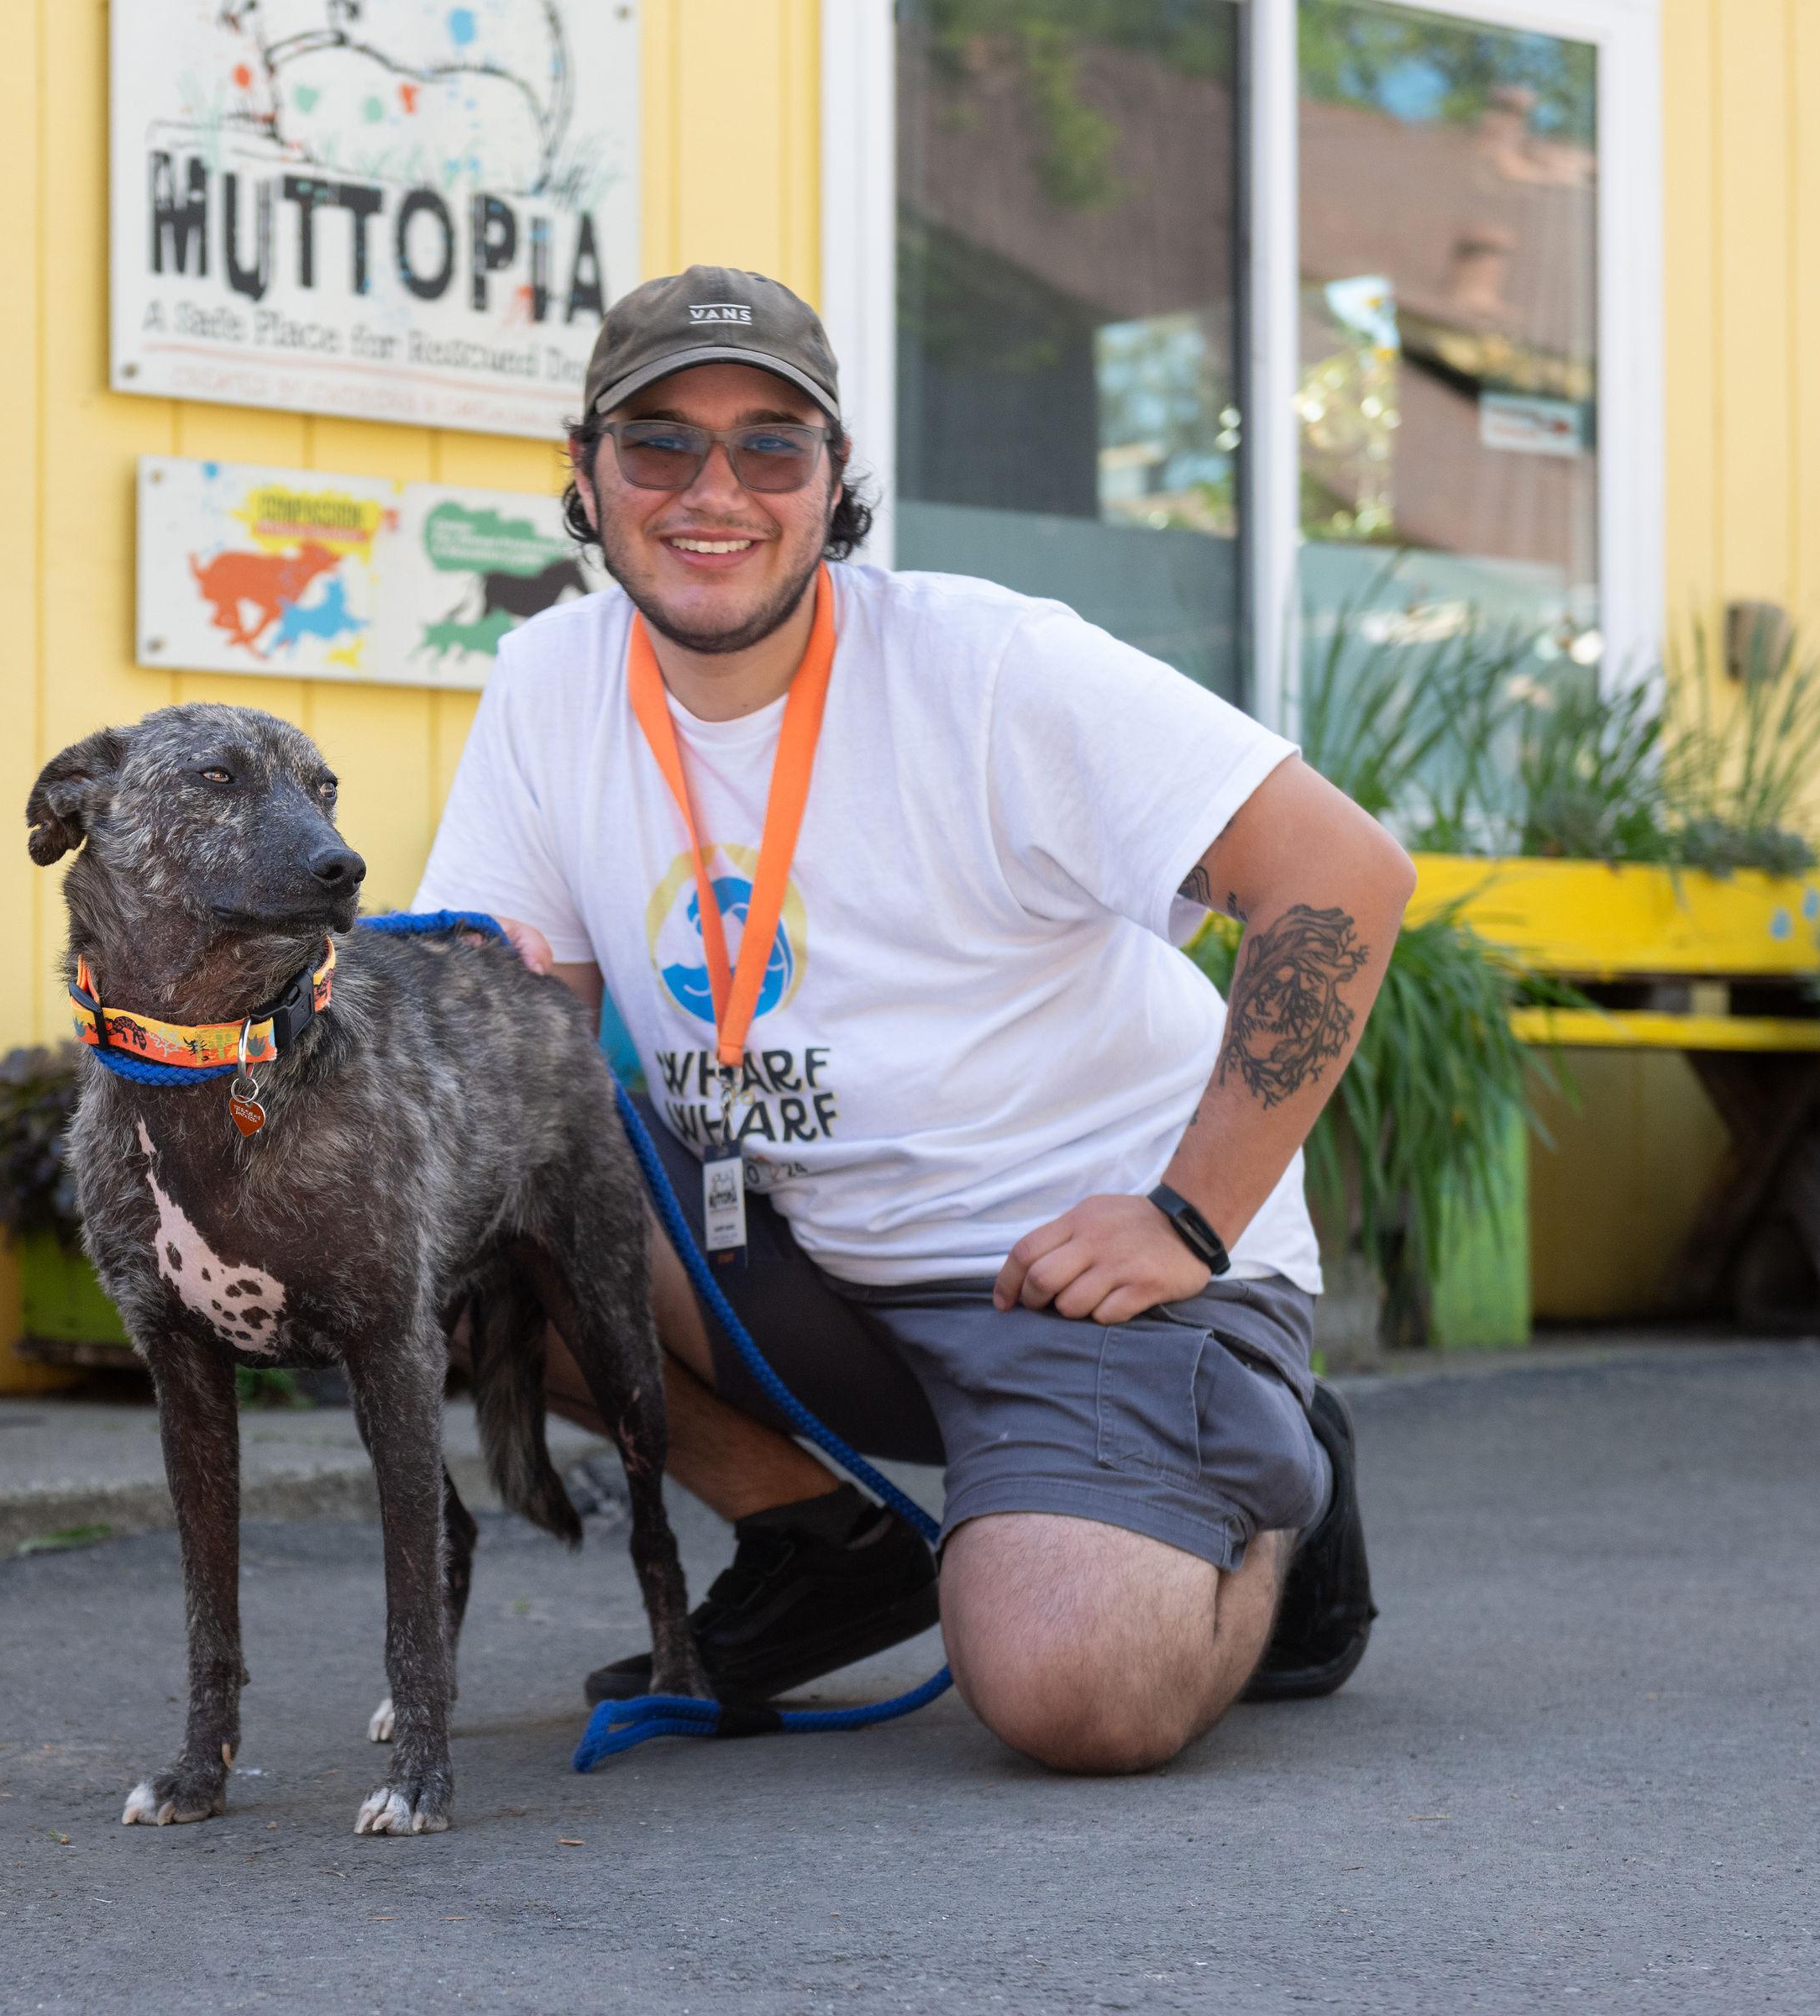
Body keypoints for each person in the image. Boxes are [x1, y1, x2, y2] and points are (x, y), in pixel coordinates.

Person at [411, 267, 1412, 1772]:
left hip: (1094, 1272)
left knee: (1069, 1693)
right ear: (588, 474)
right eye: (661, 444)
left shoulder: (987, 666)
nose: (714, 490)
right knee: (463, 1232)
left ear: (833, 483)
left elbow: (1342, 874)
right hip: (808, 1265)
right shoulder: (551, 682)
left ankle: (1270, 1490)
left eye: (771, 446)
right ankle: (819, 1542)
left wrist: (1189, 1222)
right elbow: (508, 1031)